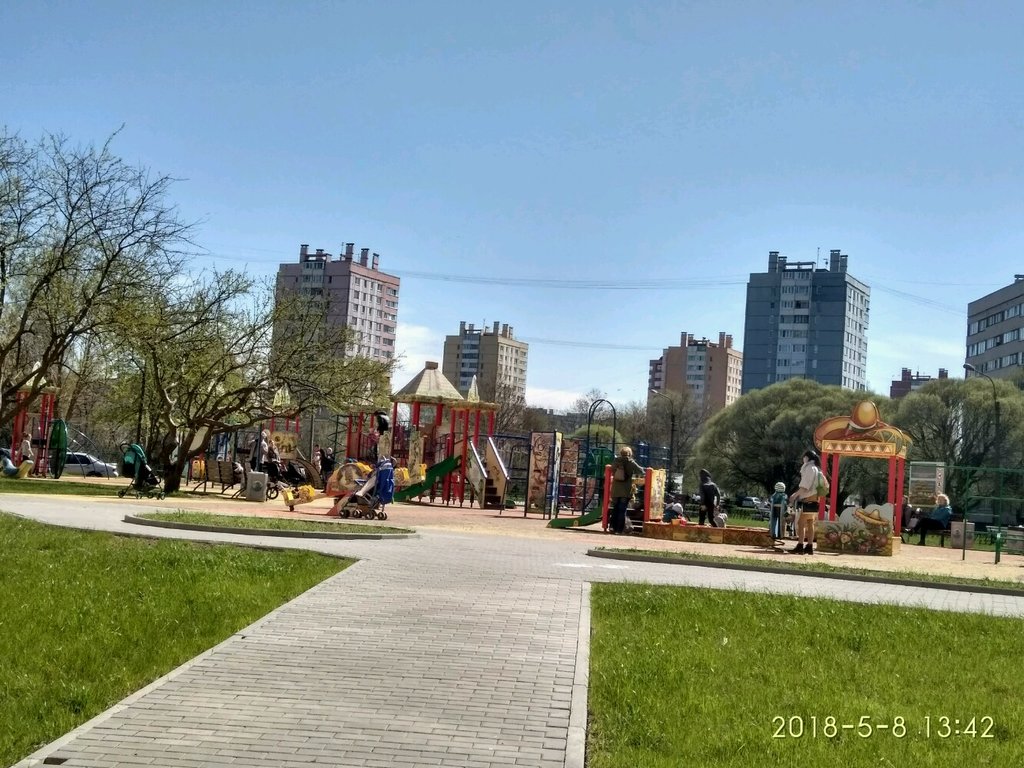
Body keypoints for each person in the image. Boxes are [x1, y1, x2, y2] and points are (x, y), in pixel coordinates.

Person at [788, 450, 823, 554]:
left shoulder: (809, 468)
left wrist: (795, 495)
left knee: (801, 523)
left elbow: (805, 485)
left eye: (804, 457)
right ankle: (810, 546)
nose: (803, 459)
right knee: (810, 523)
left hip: (808, 498)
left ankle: (800, 545)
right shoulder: (817, 469)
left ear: (807, 458)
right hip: (815, 498)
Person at [609, 446, 645, 534]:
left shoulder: (616, 461)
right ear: (629, 454)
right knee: (622, 510)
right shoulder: (630, 462)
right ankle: (619, 530)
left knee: (615, 508)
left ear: (621, 453)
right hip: (625, 490)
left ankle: (612, 527)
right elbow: (641, 470)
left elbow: (611, 469)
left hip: (616, 489)